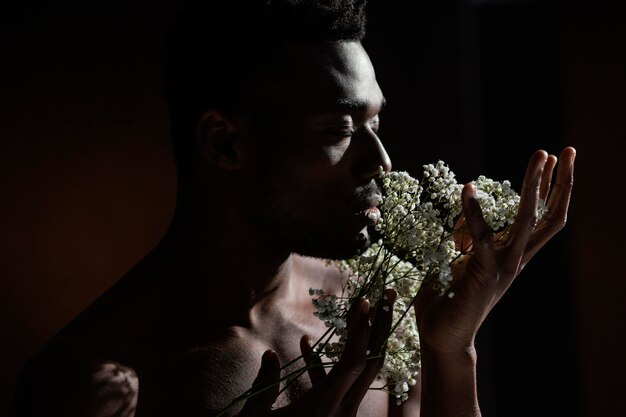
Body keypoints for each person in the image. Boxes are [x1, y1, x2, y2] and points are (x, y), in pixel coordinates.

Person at [11, 1, 576, 416]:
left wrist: (453, 351)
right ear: (224, 143)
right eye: (338, 129)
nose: (380, 162)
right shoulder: (90, 383)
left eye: (374, 123)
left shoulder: (373, 304)